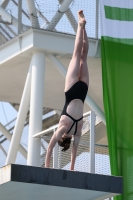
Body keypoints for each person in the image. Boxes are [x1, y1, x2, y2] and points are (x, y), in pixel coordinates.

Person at [45, 10, 89, 170]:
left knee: (84, 56)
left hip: (82, 91)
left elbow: (74, 151)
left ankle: (84, 28)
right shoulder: (63, 128)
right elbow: (50, 147)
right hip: (71, 91)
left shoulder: (77, 131)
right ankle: (80, 26)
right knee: (76, 55)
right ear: (62, 137)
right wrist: (47, 166)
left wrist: (71, 168)